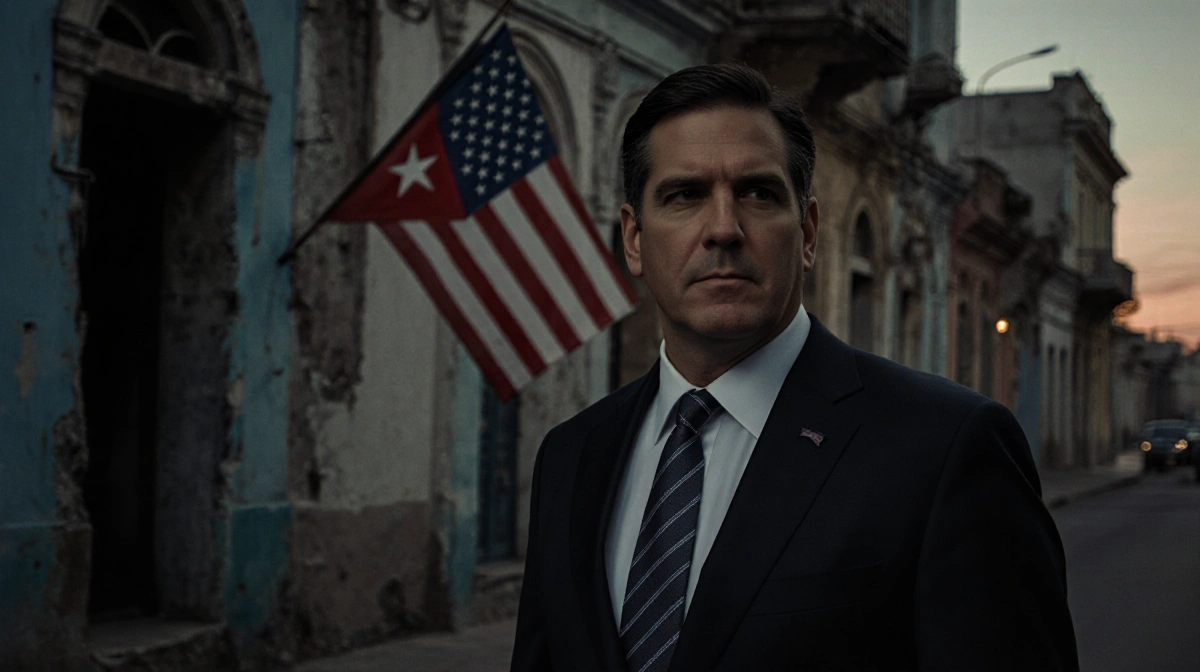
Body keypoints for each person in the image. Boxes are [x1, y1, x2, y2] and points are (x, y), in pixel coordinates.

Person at [510, 63, 1078, 671]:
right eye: (684, 196)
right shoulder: (571, 457)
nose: (723, 229)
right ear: (634, 239)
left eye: (757, 193)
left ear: (807, 233)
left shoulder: (946, 449)